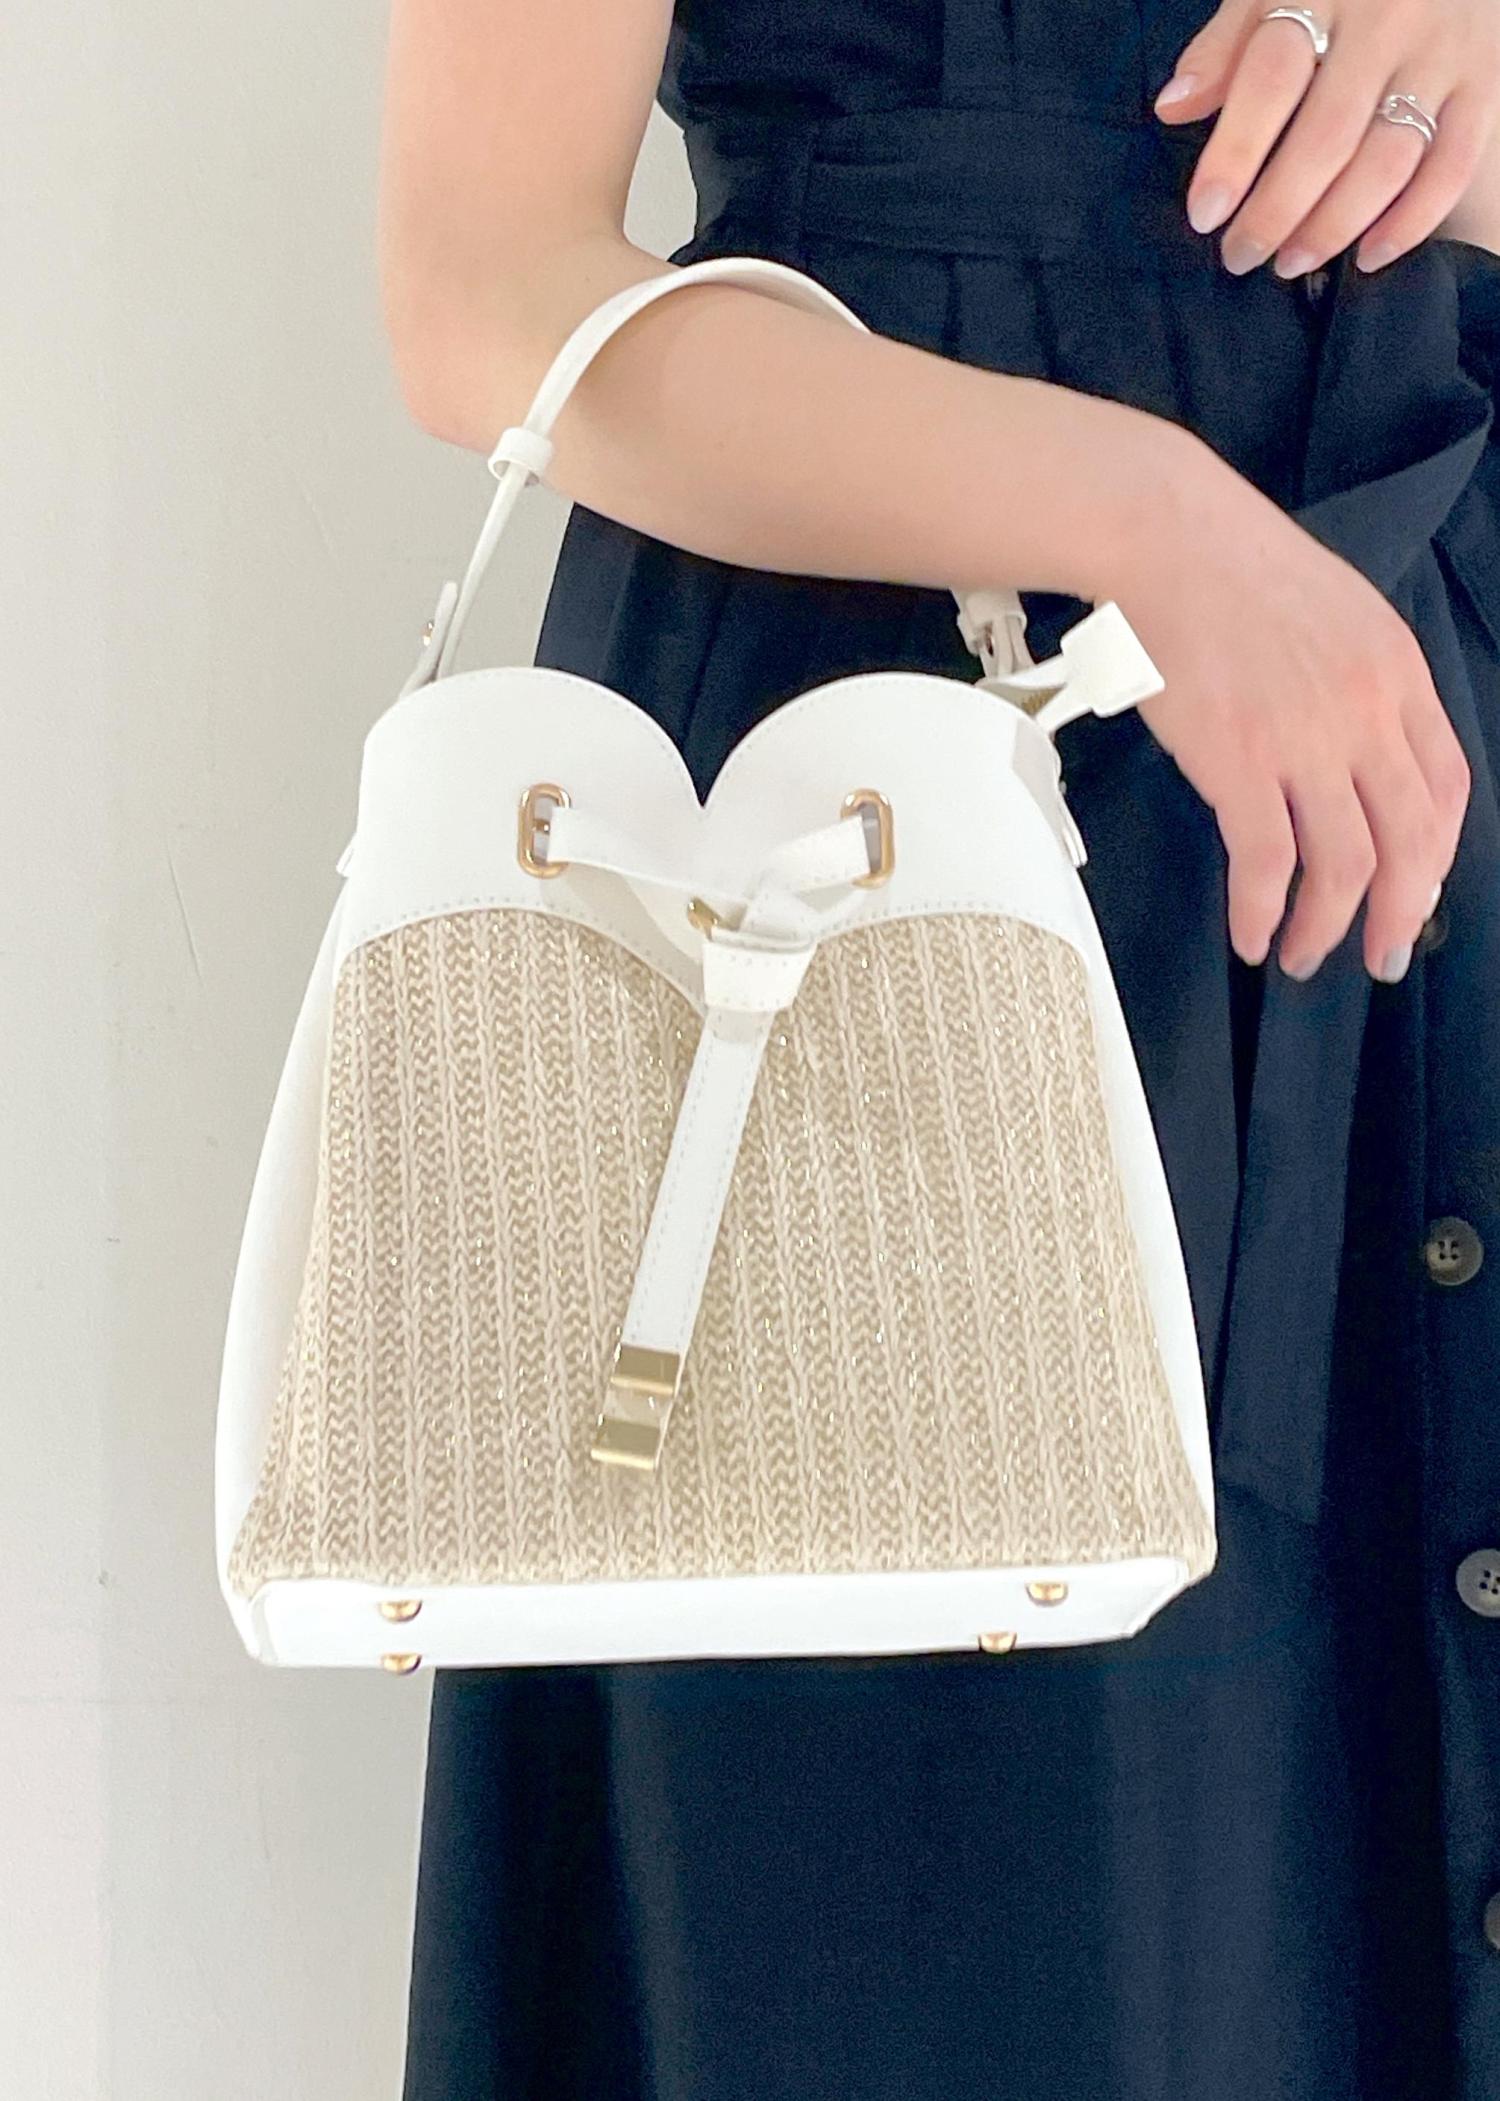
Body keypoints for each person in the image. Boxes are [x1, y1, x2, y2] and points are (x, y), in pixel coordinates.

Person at [380, 1, 1500, 2094]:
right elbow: (484, 290)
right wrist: (1153, 525)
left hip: (1411, 707)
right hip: (881, 803)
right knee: (947, 1907)